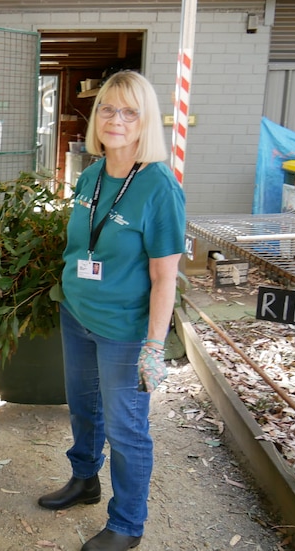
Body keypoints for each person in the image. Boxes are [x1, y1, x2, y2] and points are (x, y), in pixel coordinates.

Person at [38, 70, 186, 551]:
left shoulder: (159, 187)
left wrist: (154, 347)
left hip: (124, 329)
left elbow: (166, 276)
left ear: (145, 123)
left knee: (126, 428)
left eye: (128, 111)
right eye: (107, 108)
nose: (115, 119)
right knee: (84, 408)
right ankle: (85, 480)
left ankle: (127, 524)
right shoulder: (90, 173)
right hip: (78, 315)